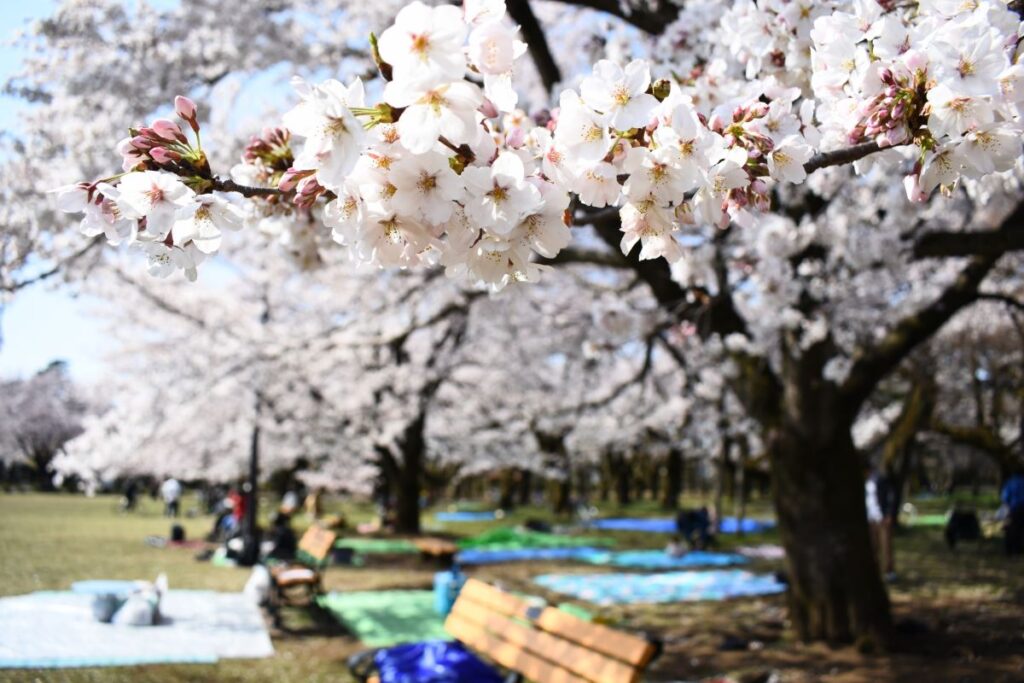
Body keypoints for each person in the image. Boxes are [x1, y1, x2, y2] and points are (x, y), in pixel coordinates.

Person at [865, 467, 896, 579]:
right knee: (873, 547)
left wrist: (889, 514)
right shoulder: (863, 482)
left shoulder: (880, 479)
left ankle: (889, 571)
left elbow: (891, 496)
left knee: (886, 545)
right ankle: (874, 572)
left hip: (881, 517)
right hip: (870, 518)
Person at [1001, 471, 1024, 556]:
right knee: (1021, 529)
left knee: (1011, 529)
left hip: (1013, 508)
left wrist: (1006, 508)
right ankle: (1019, 549)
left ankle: (1010, 550)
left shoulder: (1010, 482)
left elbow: (1005, 497)